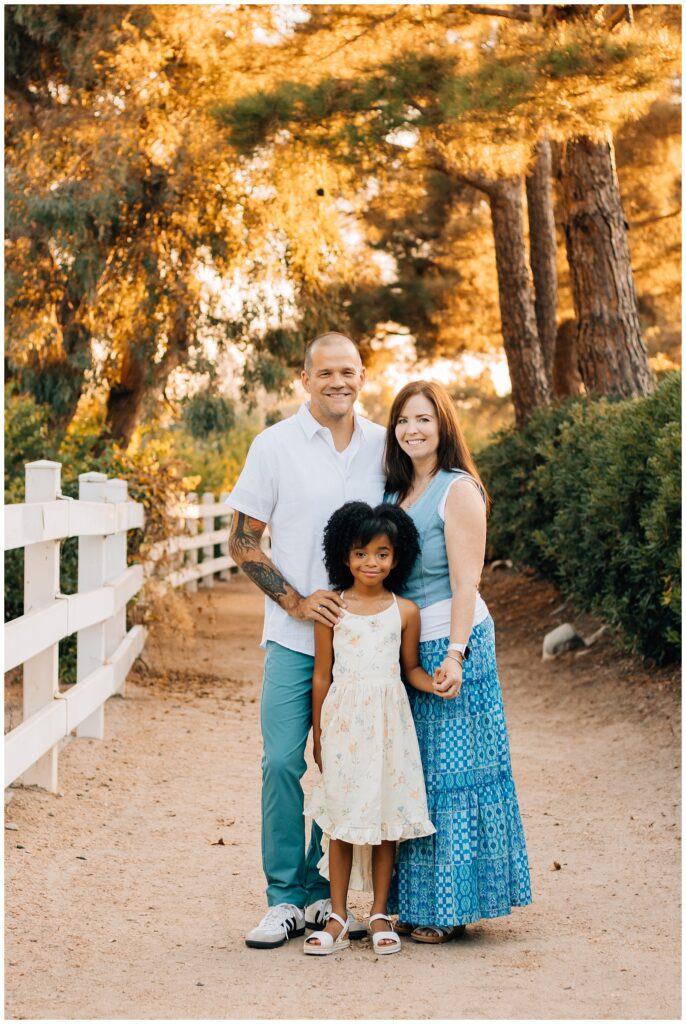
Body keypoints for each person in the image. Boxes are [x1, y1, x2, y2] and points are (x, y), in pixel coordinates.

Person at [227, 332, 386, 949]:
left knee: (343, 763)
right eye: (325, 373)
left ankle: (326, 893)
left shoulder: (383, 445)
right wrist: (296, 600)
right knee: (283, 762)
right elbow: (243, 542)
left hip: (364, 643)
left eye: (348, 371)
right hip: (293, 639)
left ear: (363, 376)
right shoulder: (274, 447)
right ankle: (283, 899)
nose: (337, 382)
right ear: (305, 379)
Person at [384, 380, 532, 943]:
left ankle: (452, 907)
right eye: (402, 421)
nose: (411, 430)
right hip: (408, 643)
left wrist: (455, 653)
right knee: (417, 775)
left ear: (443, 424)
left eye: (423, 419)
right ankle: (414, 901)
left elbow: (468, 580)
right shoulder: (396, 491)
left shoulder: (458, 489)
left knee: (455, 776)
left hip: (454, 639)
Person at [303, 501, 437, 956]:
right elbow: (322, 675)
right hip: (343, 726)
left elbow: (411, 668)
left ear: (396, 557)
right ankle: (339, 917)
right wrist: (319, 735)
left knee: (384, 821)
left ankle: (380, 913)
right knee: (340, 821)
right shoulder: (333, 608)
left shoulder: (405, 611)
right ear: (345, 555)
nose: (371, 563)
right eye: (361, 553)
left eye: (382, 553)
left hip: (389, 728)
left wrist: (435, 682)